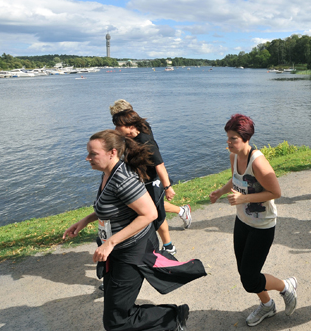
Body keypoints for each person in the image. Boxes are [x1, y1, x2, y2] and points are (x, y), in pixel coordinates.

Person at [63, 130, 190, 331]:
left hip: (133, 251)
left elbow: (149, 214)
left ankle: (173, 316)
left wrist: (110, 242)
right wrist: (85, 220)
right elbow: (113, 207)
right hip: (118, 251)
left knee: (116, 322)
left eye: (93, 154)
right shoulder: (108, 173)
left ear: (112, 152)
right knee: (115, 313)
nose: (87, 158)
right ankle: (170, 318)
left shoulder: (123, 178)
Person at [209, 114, 298, 327]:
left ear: (246, 138)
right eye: (228, 138)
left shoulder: (257, 161)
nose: (229, 142)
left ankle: (286, 286)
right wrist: (220, 191)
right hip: (242, 221)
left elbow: (276, 192)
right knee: (245, 273)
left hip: (262, 226)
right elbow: (235, 179)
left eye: (233, 139)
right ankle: (267, 306)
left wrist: (244, 198)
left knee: (249, 279)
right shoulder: (234, 156)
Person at [112, 109, 191, 256]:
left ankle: (169, 246)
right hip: (139, 181)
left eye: (118, 126)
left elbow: (160, 165)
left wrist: (167, 187)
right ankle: (182, 211)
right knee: (145, 209)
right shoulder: (130, 136)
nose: (115, 129)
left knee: (156, 215)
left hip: (152, 183)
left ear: (130, 126)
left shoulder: (146, 142)